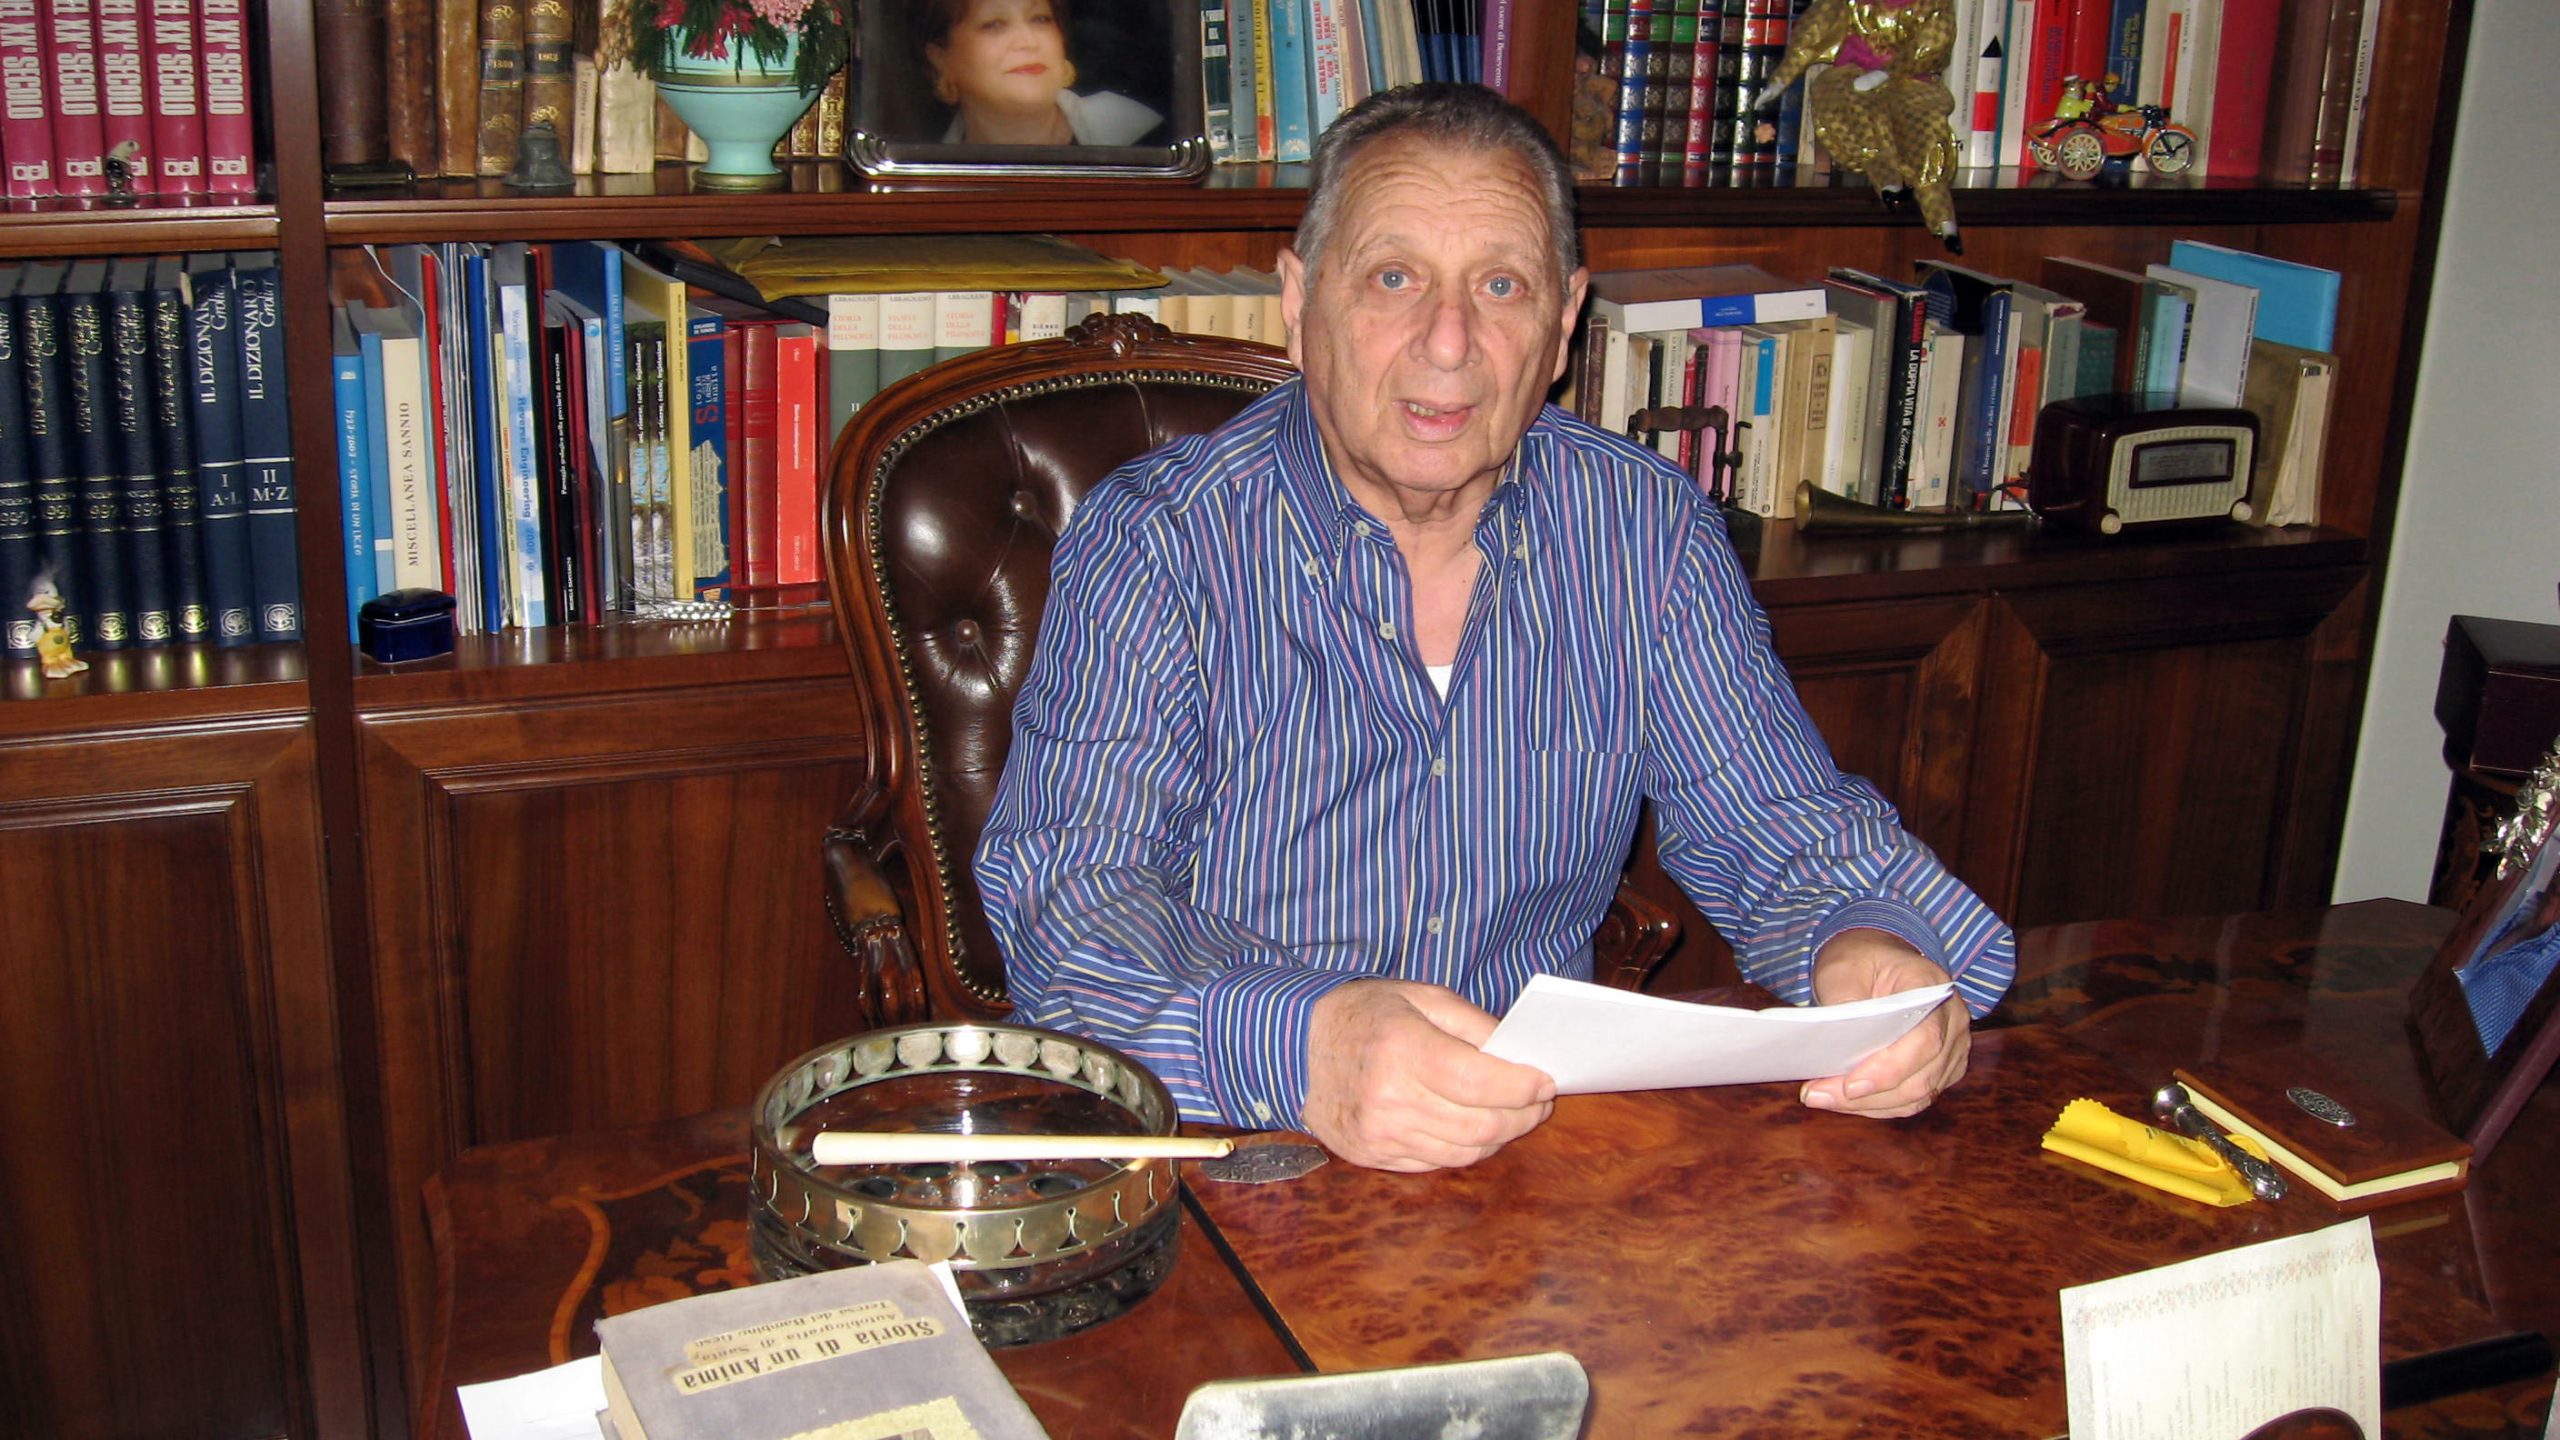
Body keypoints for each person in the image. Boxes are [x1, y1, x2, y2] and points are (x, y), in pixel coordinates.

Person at [977, 83, 2014, 1173]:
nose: (1448, 342)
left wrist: (1870, 944)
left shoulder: (1642, 530)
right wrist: (1305, 1043)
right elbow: (1073, 903)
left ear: (1562, 323)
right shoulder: (1159, 541)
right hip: (1240, 1144)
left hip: (1534, 1148)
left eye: (1501, 286)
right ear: (1300, 297)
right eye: (1393, 278)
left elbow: (1775, 823)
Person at [914, 0, 1160, 146]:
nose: (1028, 42)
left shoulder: (1139, 132)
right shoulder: (925, 183)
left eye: (1040, 19)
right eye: (994, 25)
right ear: (940, 58)